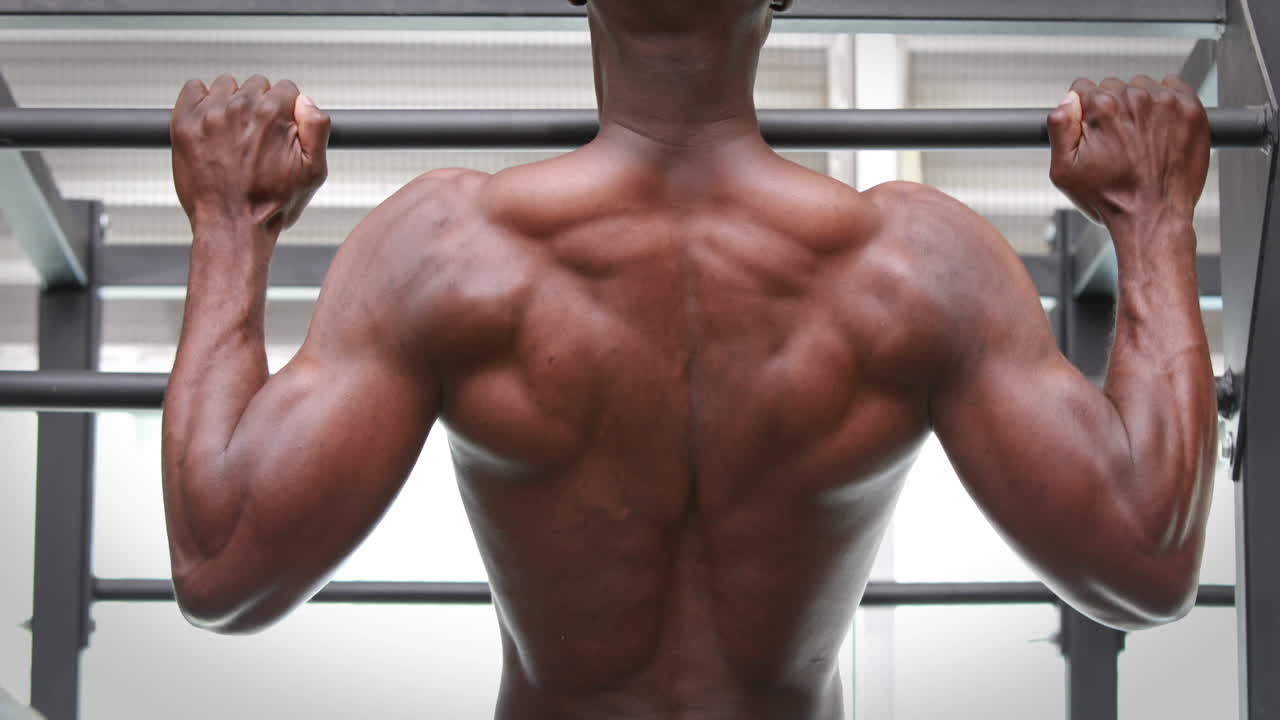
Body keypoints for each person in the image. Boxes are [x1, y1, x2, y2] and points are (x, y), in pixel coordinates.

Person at [161, 0, 1218, 717]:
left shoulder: (447, 254)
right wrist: (1151, 212)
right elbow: (1142, 559)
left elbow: (225, 568)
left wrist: (232, 222)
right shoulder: (914, 267)